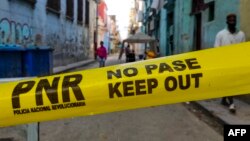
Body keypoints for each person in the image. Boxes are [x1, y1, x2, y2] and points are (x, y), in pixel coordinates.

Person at [214, 13, 245, 113]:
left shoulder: (241, 34)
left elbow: (242, 49)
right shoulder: (220, 34)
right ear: (226, 21)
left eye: (234, 20)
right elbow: (216, 50)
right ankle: (231, 103)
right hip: (224, 63)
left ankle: (224, 99)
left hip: (235, 63)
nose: (232, 22)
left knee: (230, 83)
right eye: (230, 20)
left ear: (236, 21)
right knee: (228, 82)